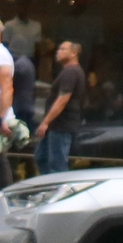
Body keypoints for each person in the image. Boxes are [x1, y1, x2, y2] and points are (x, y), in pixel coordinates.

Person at [33, 39, 83, 176]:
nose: (58, 52)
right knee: (41, 157)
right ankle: (48, 187)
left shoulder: (71, 72)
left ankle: (60, 192)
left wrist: (45, 122)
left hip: (62, 125)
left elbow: (62, 100)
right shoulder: (67, 72)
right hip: (55, 125)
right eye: (58, 49)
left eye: (63, 49)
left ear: (74, 53)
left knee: (57, 163)